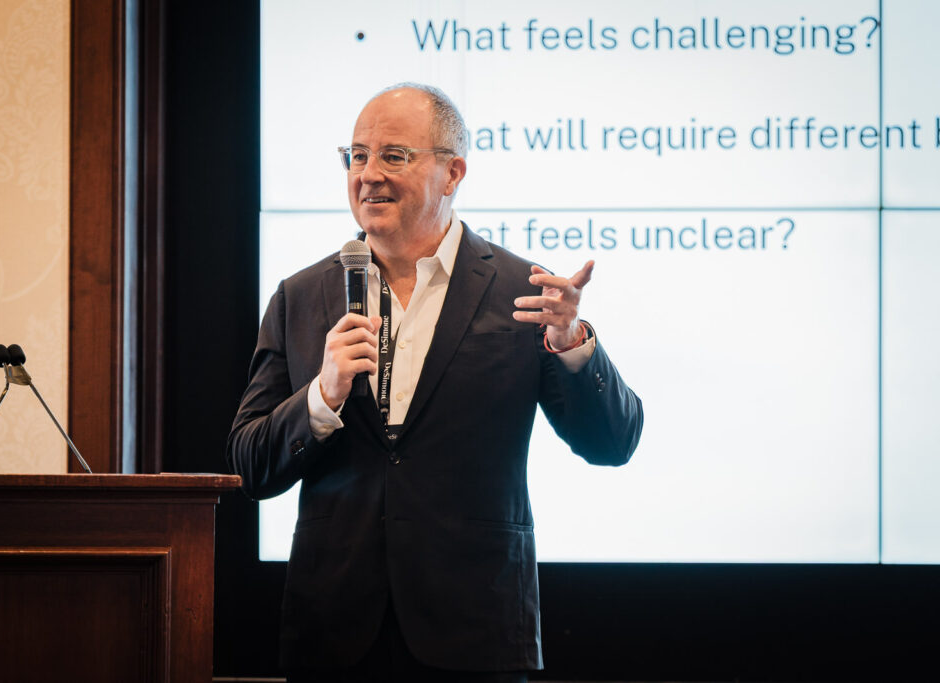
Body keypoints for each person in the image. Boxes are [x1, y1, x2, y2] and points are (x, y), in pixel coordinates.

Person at [227, 83, 643, 682]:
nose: (368, 174)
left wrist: (572, 344)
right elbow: (250, 466)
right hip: (333, 633)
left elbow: (612, 444)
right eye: (357, 156)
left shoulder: (522, 293)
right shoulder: (301, 296)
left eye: (393, 156)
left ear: (452, 173)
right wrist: (321, 397)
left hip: (475, 630)